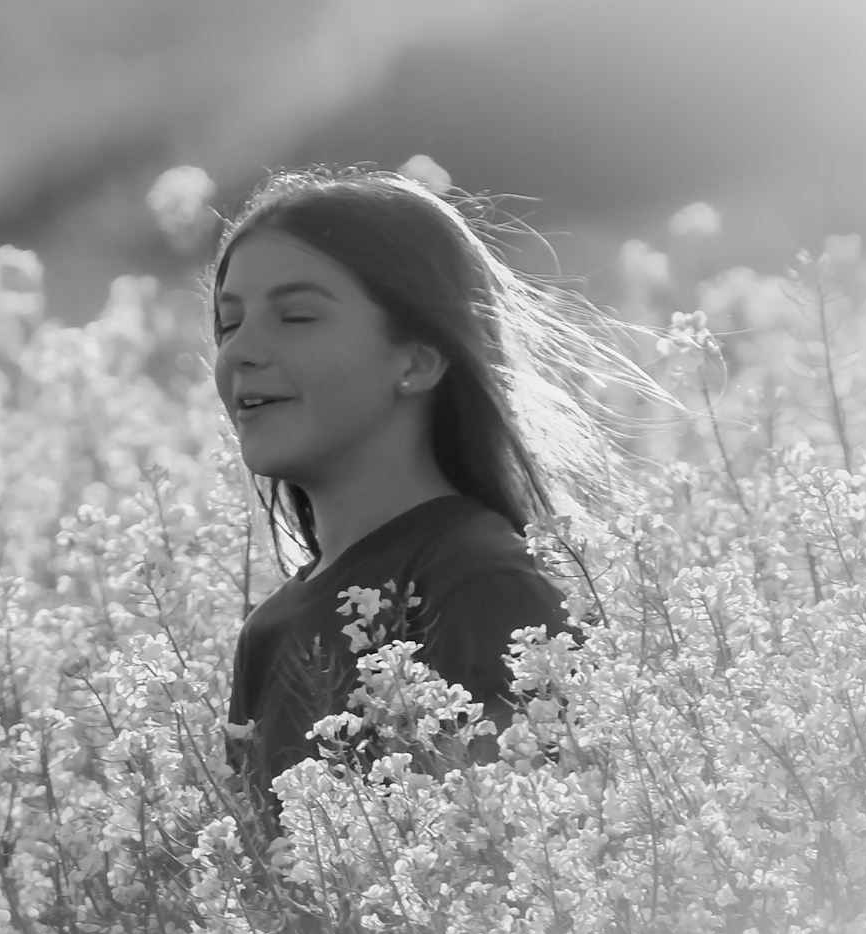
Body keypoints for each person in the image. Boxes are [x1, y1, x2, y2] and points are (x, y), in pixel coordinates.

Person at [212, 166, 670, 815]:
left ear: (417, 359)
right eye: (228, 325)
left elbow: (533, 849)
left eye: (296, 316)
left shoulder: (476, 578)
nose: (240, 352)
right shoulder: (268, 632)